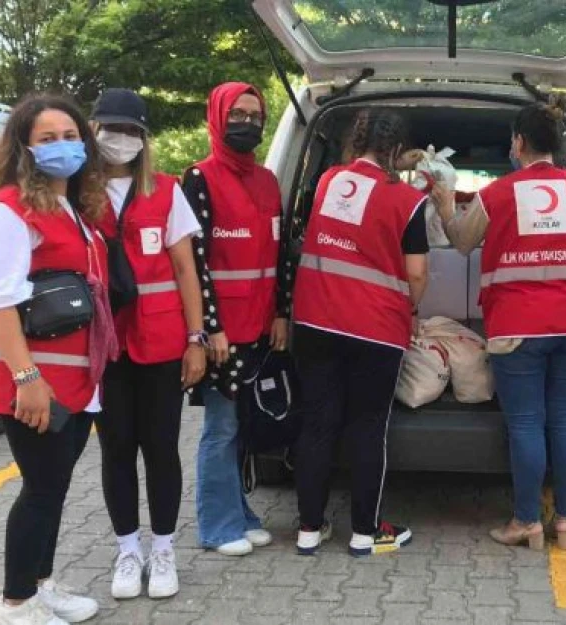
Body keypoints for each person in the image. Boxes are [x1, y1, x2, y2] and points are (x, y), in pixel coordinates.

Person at [436, 100, 566, 551]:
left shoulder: (497, 195)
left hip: (517, 328)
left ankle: (527, 521)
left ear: (519, 143)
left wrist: (441, 205)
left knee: (527, 424)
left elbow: (460, 242)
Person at [0, 94, 112, 625]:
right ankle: (14, 604)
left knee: (53, 488)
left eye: (71, 136)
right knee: (41, 489)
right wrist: (27, 379)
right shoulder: (7, 212)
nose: (63, 147)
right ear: (24, 149)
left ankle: (39, 583)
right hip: (37, 381)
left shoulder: (70, 208)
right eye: (48, 139)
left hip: (75, 379)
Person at [288, 108, 429, 557]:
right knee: (368, 428)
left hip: (314, 320)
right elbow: (418, 273)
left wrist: (392, 164)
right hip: (375, 329)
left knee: (317, 424)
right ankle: (367, 533)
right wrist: (410, 305)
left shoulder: (329, 180)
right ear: (394, 150)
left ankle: (309, 529)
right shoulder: (407, 202)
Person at [89, 88, 206, 599]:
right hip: (104, 346)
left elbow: (186, 269)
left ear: (143, 139)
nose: (121, 140)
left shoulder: (166, 191)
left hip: (161, 343)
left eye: (131, 131)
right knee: (116, 450)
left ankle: (162, 550)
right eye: (112, 130)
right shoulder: (75, 193)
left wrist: (197, 337)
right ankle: (127, 550)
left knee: (160, 449)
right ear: (94, 133)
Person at [180, 82, 288, 556]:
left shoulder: (267, 181)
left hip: (261, 328)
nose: (248, 122)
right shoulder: (199, 178)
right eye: (238, 113)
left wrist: (282, 313)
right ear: (218, 117)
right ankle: (217, 525)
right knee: (220, 429)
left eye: (255, 114)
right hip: (223, 333)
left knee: (242, 426)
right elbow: (194, 260)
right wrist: (209, 329)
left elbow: (281, 254)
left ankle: (240, 513)